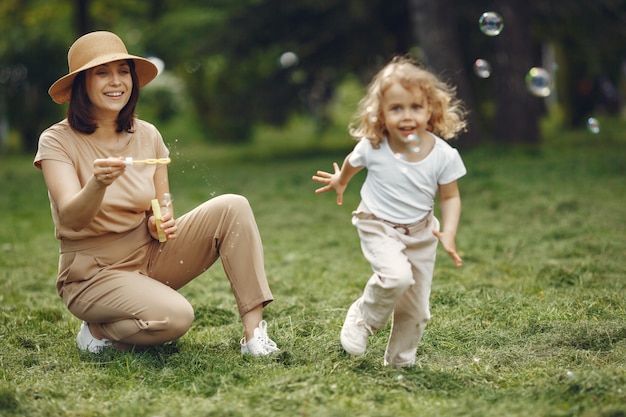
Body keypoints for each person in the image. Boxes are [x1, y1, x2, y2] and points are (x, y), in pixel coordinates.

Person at [34, 31, 279, 356]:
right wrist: (98, 183)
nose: (116, 81)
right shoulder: (56, 141)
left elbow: (161, 207)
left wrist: (159, 221)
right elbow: (71, 217)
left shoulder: (147, 134)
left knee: (234, 206)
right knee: (176, 318)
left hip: (150, 255)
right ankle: (98, 329)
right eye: (102, 72)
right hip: (92, 272)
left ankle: (254, 335)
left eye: (123, 71)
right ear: (81, 83)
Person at [312, 56, 467, 367]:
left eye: (415, 107)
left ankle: (400, 362)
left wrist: (448, 232)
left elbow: (450, 197)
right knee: (396, 277)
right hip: (378, 224)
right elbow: (352, 163)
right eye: (396, 108)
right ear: (380, 114)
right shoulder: (374, 146)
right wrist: (341, 182)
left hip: (422, 234)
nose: (406, 116)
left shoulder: (443, 155)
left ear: (431, 110)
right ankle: (363, 317)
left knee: (417, 309)